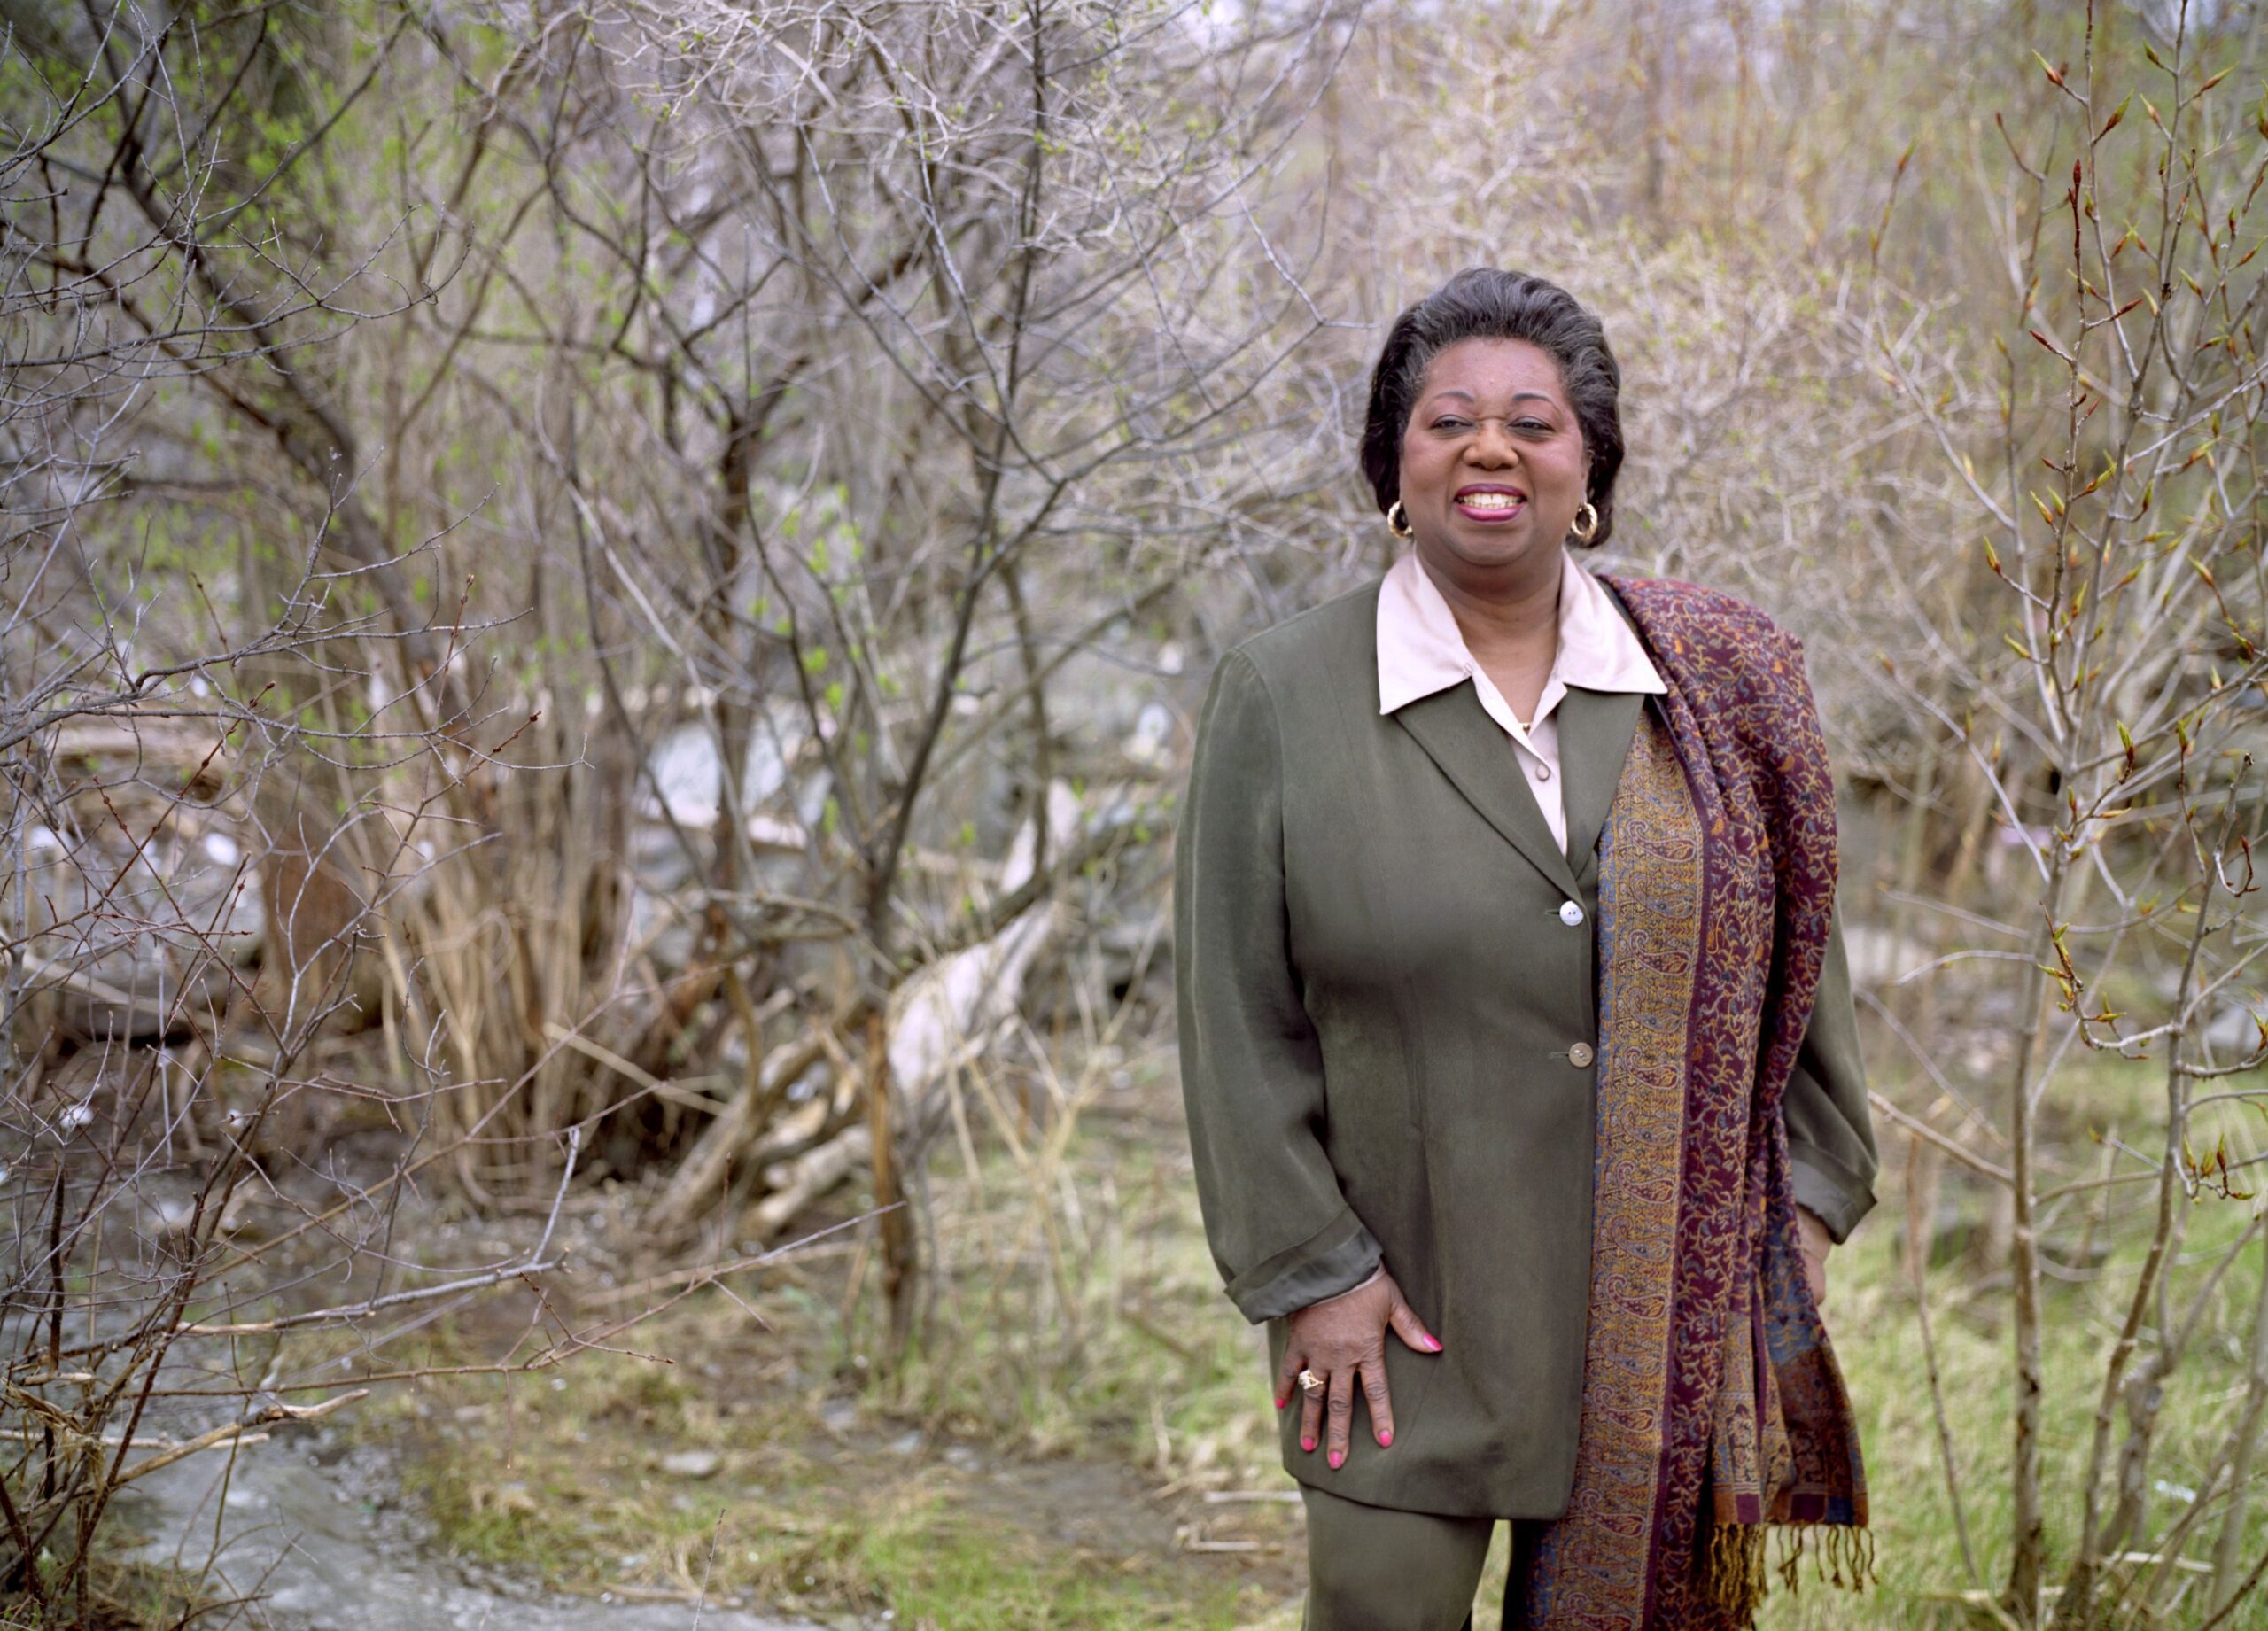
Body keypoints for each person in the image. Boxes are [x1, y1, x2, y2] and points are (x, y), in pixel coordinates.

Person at [1172, 268, 1880, 1630]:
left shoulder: (1708, 692)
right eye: (1448, 422)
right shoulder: (1285, 694)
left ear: (1588, 466)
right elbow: (1233, 1018)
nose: (1488, 450)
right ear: (1394, 464)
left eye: (1532, 423)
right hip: (1399, 1323)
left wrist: (1792, 1218)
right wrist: (1312, 1274)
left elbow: (1805, 977)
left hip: (1661, 1334)